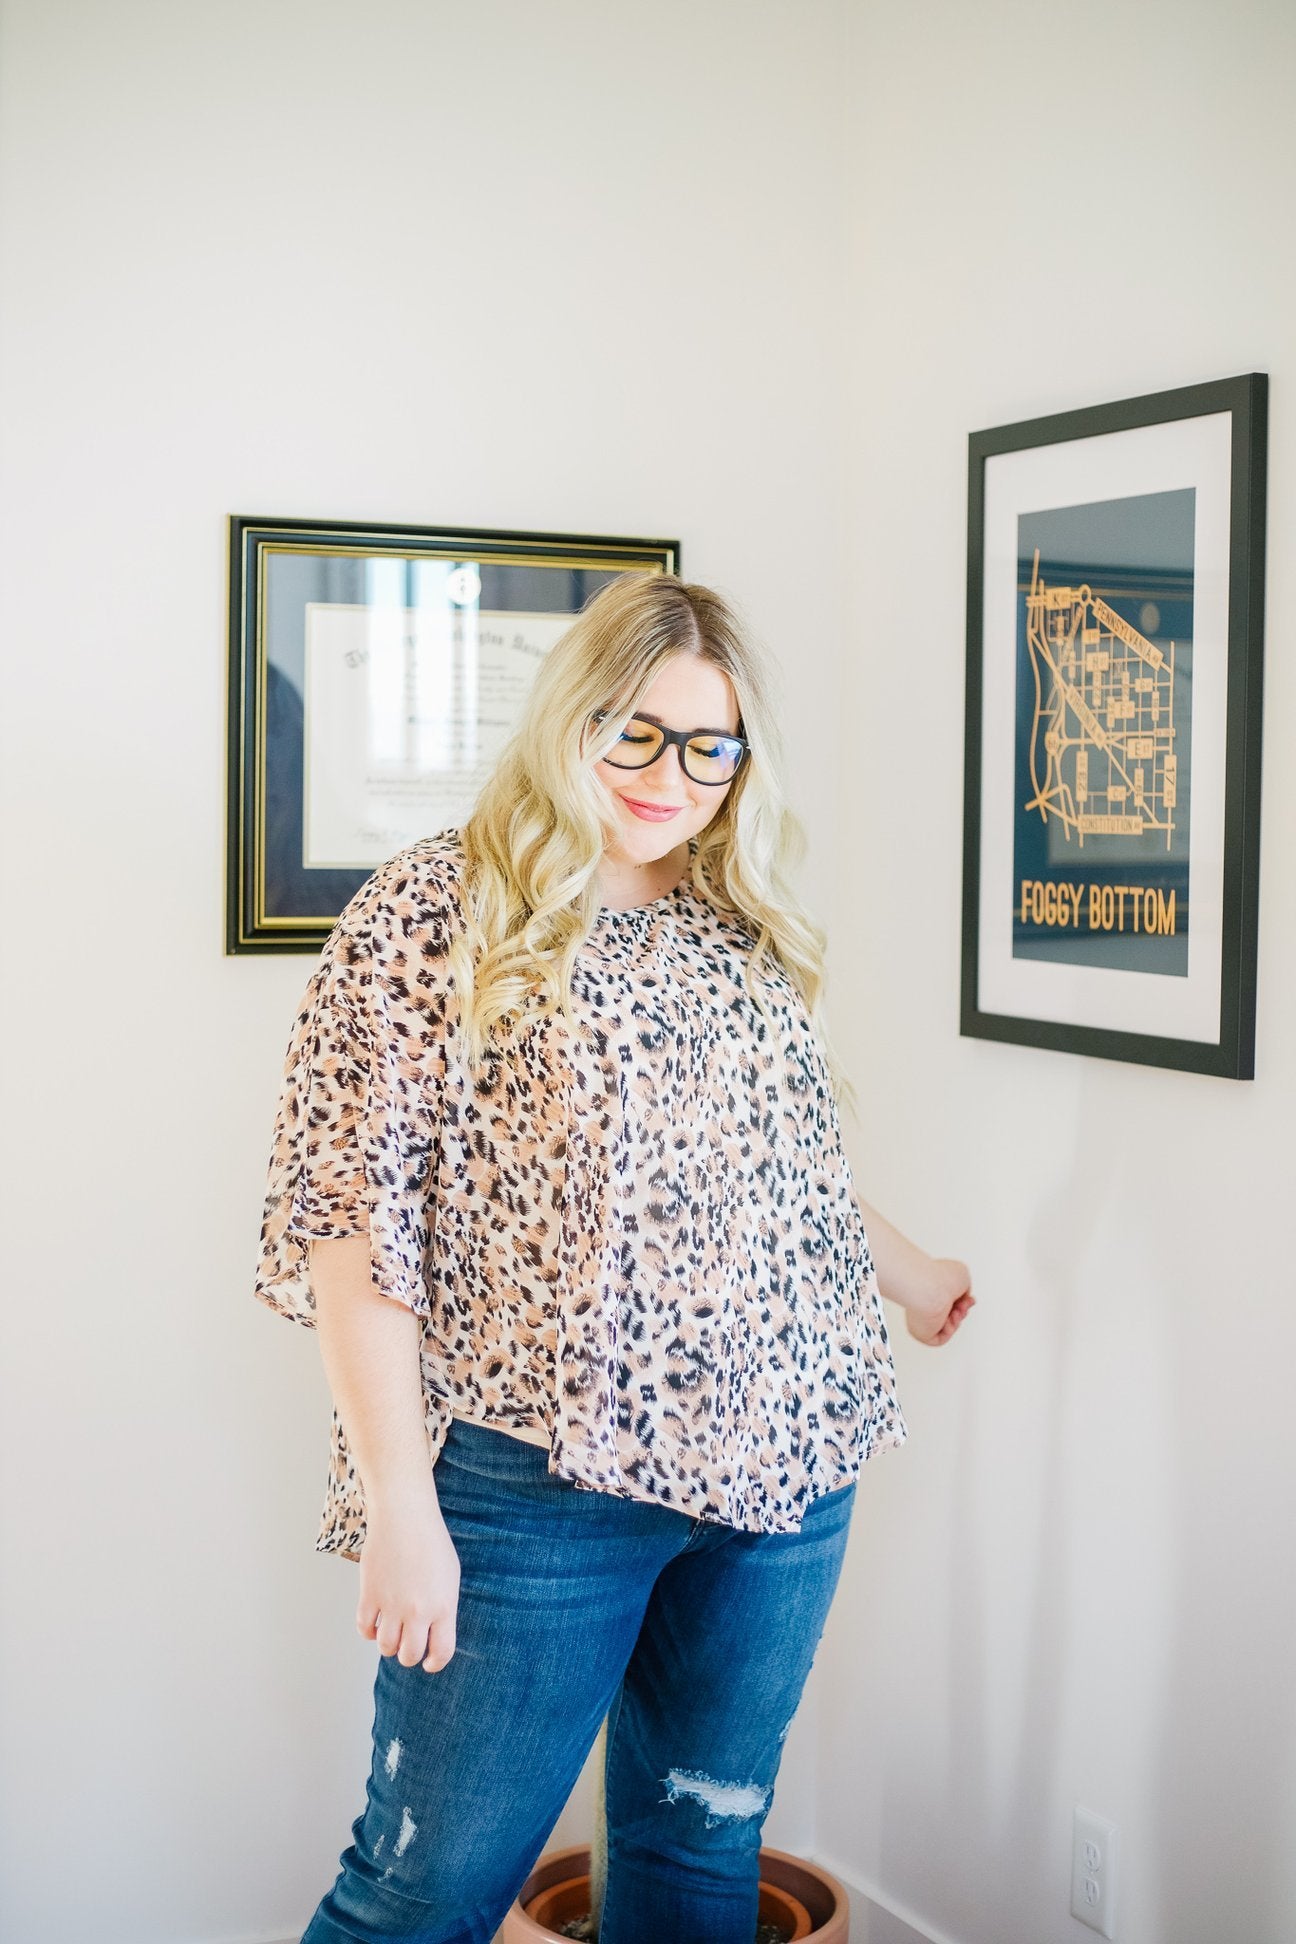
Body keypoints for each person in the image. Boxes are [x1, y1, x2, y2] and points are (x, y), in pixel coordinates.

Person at [254, 573, 973, 1944]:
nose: (674, 775)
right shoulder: (428, 911)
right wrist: (405, 1501)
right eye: (638, 732)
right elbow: (350, 1221)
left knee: (697, 1857)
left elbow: (770, 1175)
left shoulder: (733, 914)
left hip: (783, 1469)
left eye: (712, 746)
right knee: (422, 1893)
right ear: (569, 716)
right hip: (533, 1485)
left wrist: (910, 1268)